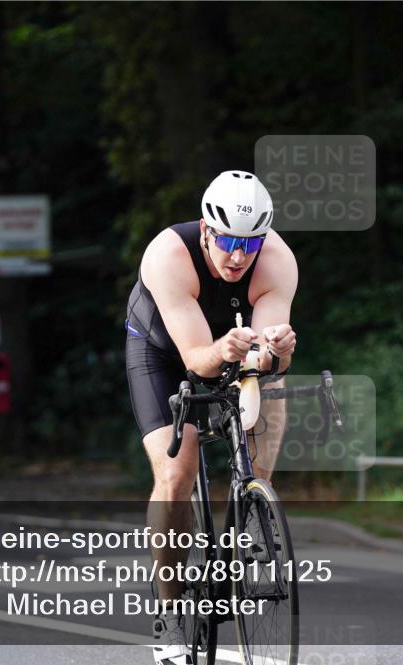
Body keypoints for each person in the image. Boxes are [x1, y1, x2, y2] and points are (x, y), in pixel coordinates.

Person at [125, 170, 298, 665]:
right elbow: (199, 359)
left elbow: (267, 359)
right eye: (226, 241)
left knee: (267, 423)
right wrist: (223, 349)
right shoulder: (167, 255)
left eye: (250, 243)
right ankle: (170, 611)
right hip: (164, 349)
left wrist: (277, 353)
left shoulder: (278, 261)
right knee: (177, 472)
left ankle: (252, 518)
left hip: (234, 343)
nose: (239, 256)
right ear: (205, 231)